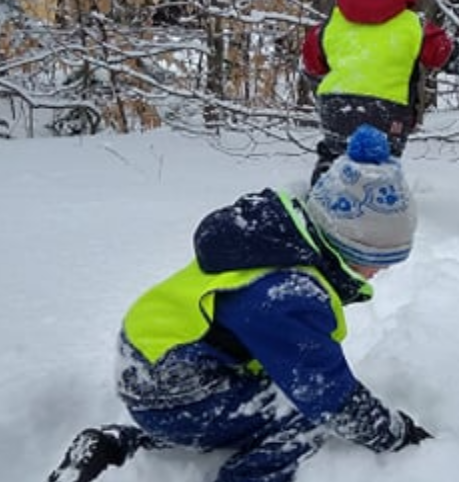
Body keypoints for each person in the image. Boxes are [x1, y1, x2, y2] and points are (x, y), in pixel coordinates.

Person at [48, 125, 432, 482]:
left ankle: (118, 441)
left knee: (261, 402)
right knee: (304, 412)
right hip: (172, 385)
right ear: (349, 243)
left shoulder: (277, 243)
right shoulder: (289, 292)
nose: (380, 273)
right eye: (378, 261)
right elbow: (329, 397)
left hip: (153, 362)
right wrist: (396, 435)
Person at [301, 0, 453, 184]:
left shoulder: (334, 21)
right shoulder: (412, 24)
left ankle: (321, 204)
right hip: (389, 109)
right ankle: (375, 212)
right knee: (380, 170)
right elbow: (440, 53)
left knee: (333, 158)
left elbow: (312, 61)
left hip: (336, 105)